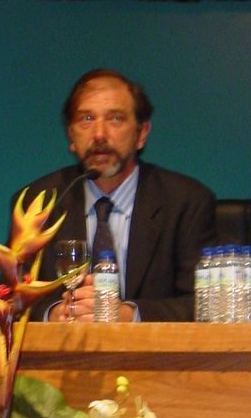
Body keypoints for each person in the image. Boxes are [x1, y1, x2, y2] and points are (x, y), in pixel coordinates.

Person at [14, 69, 216, 322]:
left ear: (142, 133)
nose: (99, 134)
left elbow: (205, 302)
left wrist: (130, 314)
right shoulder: (39, 202)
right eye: (86, 119)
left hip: (151, 348)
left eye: (116, 119)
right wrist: (53, 314)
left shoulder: (186, 202)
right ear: (71, 136)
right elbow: (10, 294)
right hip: (65, 347)